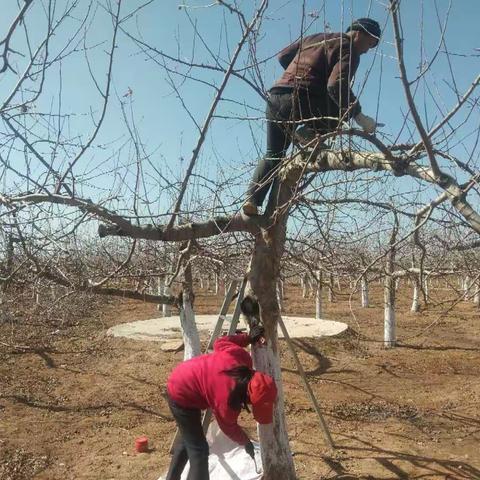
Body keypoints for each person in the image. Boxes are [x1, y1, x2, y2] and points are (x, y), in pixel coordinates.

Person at [243, 18, 383, 216]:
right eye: (369, 43)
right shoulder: (348, 47)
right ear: (359, 33)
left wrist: (298, 74)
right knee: (339, 105)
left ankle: (252, 201)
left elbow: (284, 56)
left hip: (275, 98)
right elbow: (336, 86)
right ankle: (310, 135)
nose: (368, 50)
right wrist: (359, 116)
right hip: (302, 100)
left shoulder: (315, 38)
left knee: (274, 153)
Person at [164, 326, 277, 480]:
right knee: (199, 451)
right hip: (181, 393)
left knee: (189, 440)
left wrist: (247, 338)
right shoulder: (227, 399)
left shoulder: (242, 358)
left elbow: (220, 343)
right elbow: (229, 428)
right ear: (247, 397)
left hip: (185, 375)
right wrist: (246, 442)